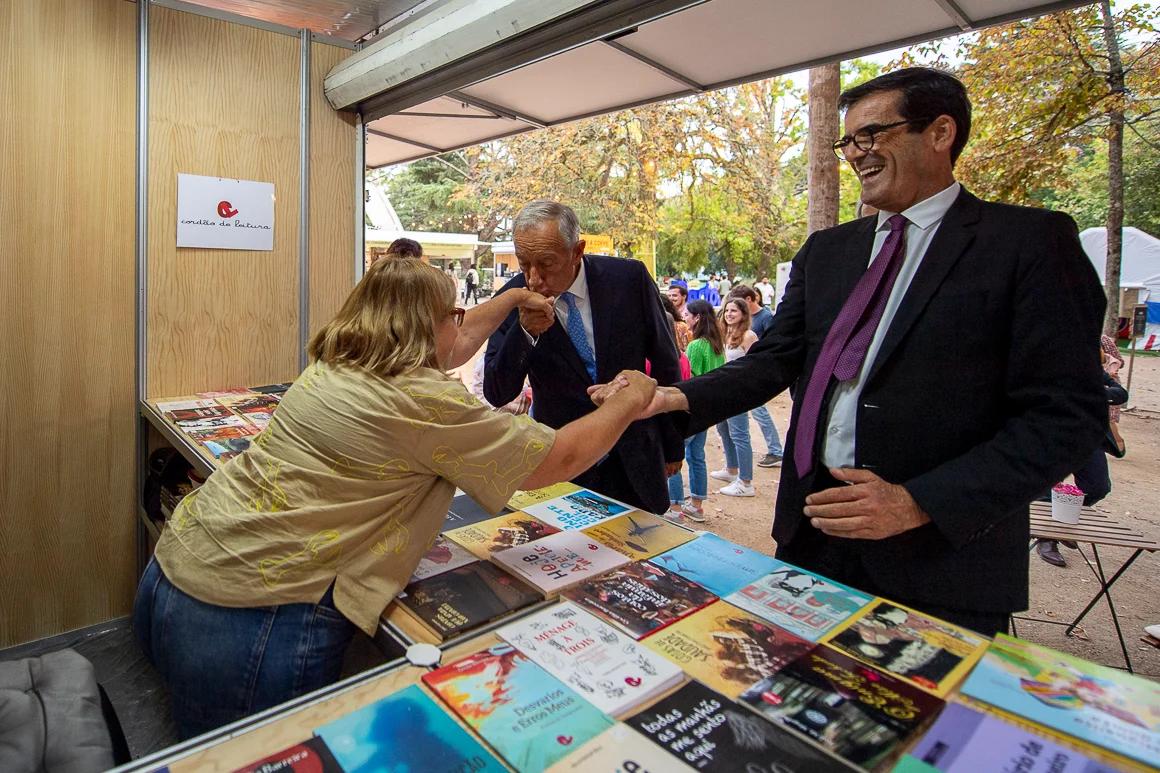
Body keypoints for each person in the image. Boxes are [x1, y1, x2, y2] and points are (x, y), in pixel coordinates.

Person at [591, 67, 1105, 635]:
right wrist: (667, 397)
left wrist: (919, 502)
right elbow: (773, 361)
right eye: (848, 141)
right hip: (813, 535)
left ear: (940, 132)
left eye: (873, 135)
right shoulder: (828, 251)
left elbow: (1066, 417)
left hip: (937, 559)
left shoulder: (1029, 243)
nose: (856, 153)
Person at [133, 257, 657, 739]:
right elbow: (557, 460)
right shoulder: (422, 401)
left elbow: (459, 337)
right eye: (452, 313)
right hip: (255, 616)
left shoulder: (335, 364)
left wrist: (515, 299)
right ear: (424, 326)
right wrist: (631, 399)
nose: (462, 322)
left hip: (178, 568)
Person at [483, 200, 683, 514]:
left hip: (634, 455)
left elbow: (665, 360)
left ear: (577, 251)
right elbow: (497, 391)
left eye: (546, 263)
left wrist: (673, 444)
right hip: (563, 465)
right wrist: (523, 334)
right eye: (523, 263)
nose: (534, 278)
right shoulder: (512, 299)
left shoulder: (628, 279)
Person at [1035, 345, 1129, 567]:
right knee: (1043, 487)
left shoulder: (1090, 367)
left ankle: (1061, 523)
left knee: (1098, 487)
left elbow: (1121, 393)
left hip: (1088, 437)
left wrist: (1096, 394)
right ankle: (1047, 536)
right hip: (1051, 435)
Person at [666, 299, 726, 523]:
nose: (686, 318)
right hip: (707, 411)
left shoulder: (695, 346)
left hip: (690, 409)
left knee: (675, 455)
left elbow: (690, 380)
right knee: (697, 456)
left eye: (688, 315)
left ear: (697, 317)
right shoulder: (716, 344)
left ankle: (675, 506)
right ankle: (697, 506)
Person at [730, 285, 784, 467]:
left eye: (735, 308)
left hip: (752, 376)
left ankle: (775, 451)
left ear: (749, 300)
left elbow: (770, 343)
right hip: (741, 379)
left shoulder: (765, 317)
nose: (730, 312)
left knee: (759, 413)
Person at [712, 297, 758, 497]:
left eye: (734, 311)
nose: (729, 314)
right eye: (727, 310)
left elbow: (756, 365)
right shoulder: (723, 333)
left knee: (740, 435)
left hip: (737, 392)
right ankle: (732, 469)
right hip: (721, 390)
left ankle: (746, 482)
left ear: (743, 314)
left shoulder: (749, 336)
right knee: (723, 429)